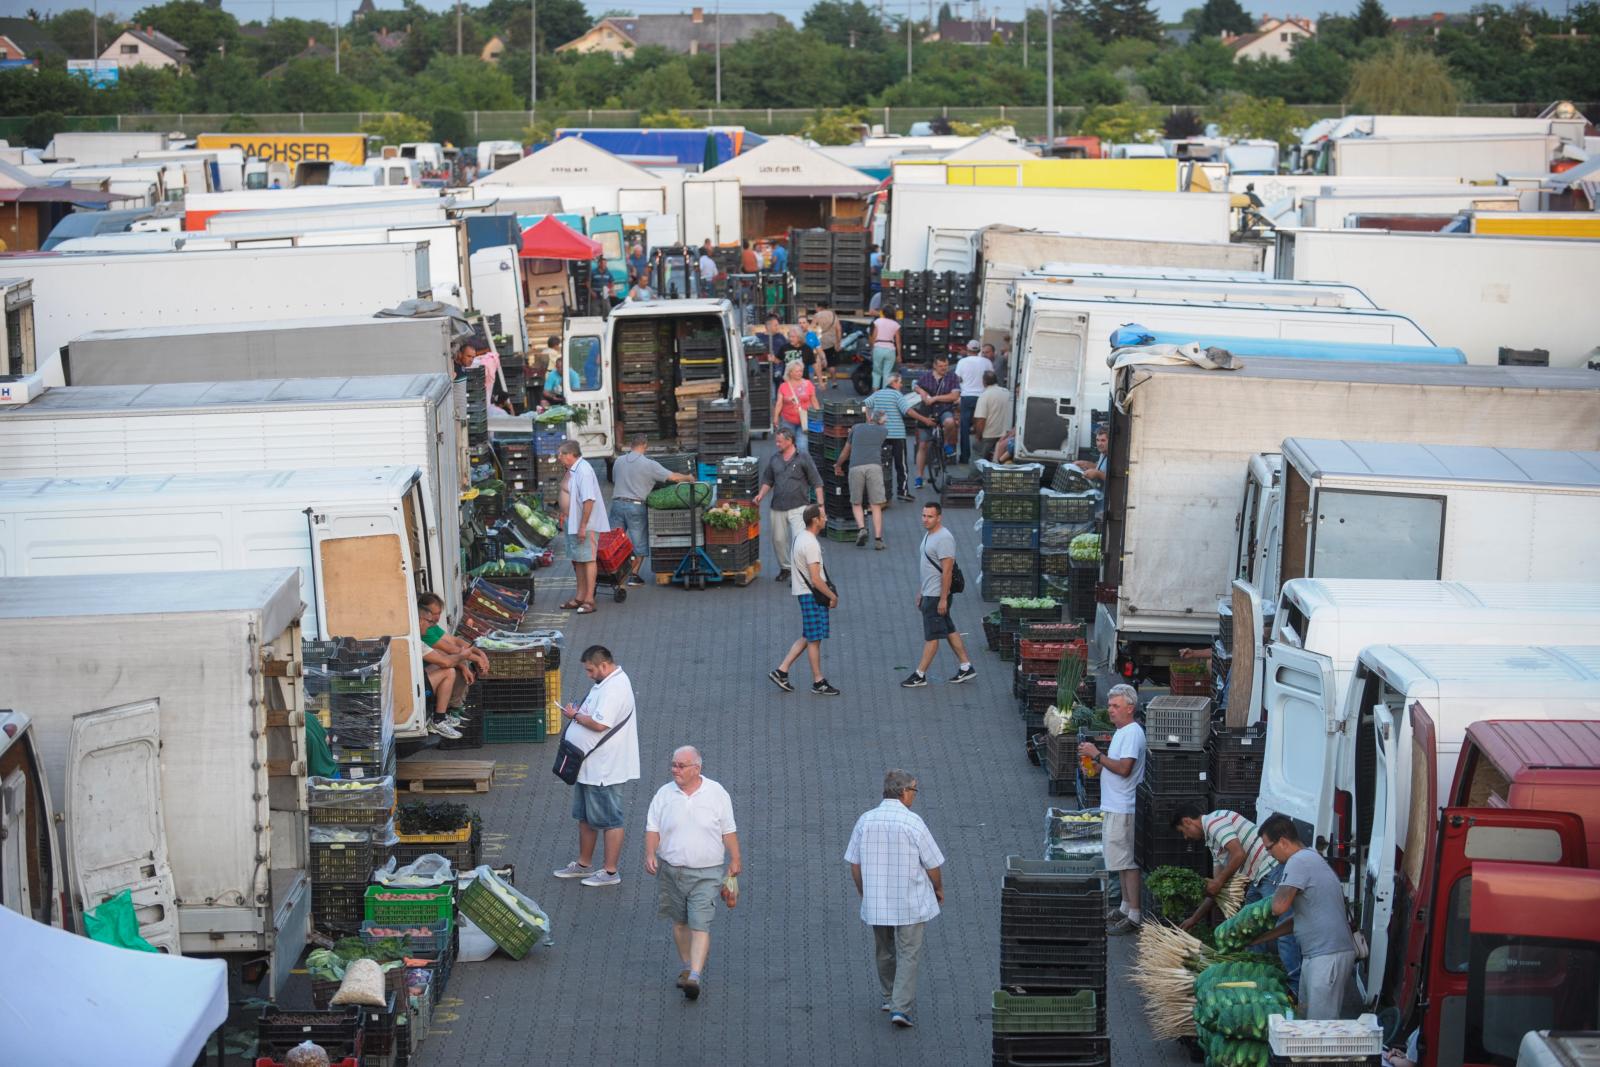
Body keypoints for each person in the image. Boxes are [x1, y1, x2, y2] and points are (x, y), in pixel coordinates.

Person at [844, 769, 946, 1029]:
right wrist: (938, 888)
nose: (915, 795)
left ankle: (889, 997)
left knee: (884, 950)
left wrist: (863, 891)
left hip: (877, 900)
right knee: (909, 952)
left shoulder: (865, 820)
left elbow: (854, 863)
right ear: (903, 792)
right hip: (910, 901)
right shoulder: (913, 823)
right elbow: (933, 864)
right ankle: (901, 1008)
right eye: (914, 790)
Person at [644, 745, 742, 1002]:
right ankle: (687, 966)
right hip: (671, 872)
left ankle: (695, 976)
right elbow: (652, 828)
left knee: (700, 924)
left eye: (681, 766)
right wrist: (650, 853)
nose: (675, 770)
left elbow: (728, 830)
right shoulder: (664, 794)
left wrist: (735, 859)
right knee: (680, 923)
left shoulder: (717, 793)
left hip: (707, 874)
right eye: (673, 765)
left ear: (697, 768)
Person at [552, 645, 640, 887]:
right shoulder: (604, 683)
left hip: (605, 769)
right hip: (589, 766)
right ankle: (584, 864)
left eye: (591, 670)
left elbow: (601, 724)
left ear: (604, 665)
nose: (588, 675)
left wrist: (575, 716)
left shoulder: (615, 688)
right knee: (585, 817)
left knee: (610, 819)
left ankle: (610, 872)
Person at [1256, 814, 1354, 1016]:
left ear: (1283, 842)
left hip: (1327, 956)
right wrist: (1262, 937)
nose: (1269, 855)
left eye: (1269, 848)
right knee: (1305, 1018)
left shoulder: (1298, 861)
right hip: (1317, 955)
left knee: (1319, 1026)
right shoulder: (1309, 857)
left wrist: (1257, 907)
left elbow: (1278, 907)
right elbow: (1299, 919)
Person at [1079, 684, 1146, 934]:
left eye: (1116, 706)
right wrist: (1096, 766)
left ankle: (1134, 914)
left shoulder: (1132, 733)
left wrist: (1097, 755)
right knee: (1120, 861)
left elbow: (1125, 768)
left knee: (1128, 862)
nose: (1110, 710)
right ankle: (1125, 907)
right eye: (1109, 705)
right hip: (1115, 805)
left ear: (1130, 708)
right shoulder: (1121, 732)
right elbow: (1114, 765)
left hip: (1124, 807)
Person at [902, 501, 976, 688]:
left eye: (930, 516)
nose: (925, 519)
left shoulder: (944, 538)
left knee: (932, 636)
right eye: (924, 515)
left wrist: (943, 599)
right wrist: (921, 591)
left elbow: (947, 572)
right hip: (930, 592)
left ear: (939, 518)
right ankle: (966, 666)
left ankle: (920, 675)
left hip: (936, 596)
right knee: (949, 629)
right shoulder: (930, 534)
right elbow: (928, 567)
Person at [769, 504, 840, 696]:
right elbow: (816, 579)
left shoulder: (800, 537)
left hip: (804, 593)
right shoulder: (811, 544)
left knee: (809, 635)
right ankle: (818, 681)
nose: (826, 519)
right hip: (812, 595)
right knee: (814, 639)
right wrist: (832, 596)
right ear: (815, 520)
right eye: (823, 516)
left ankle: (781, 671)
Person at [610, 434, 694, 586]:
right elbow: (673, 477)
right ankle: (633, 576)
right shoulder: (649, 464)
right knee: (639, 544)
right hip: (635, 507)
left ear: (631, 445)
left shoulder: (618, 461)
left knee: (615, 543)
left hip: (616, 505)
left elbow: (616, 480)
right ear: (645, 446)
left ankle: (614, 574)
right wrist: (688, 477)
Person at [753, 428, 824, 584]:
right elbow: (768, 480)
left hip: (799, 506)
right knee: (778, 540)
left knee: (799, 541)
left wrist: (820, 506)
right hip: (777, 506)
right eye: (776, 441)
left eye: (779, 441)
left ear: (789, 441)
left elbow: (817, 482)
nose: (777, 444)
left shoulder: (803, 458)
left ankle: (800, 573)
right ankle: (786, 568)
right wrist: (761, 495)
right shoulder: (774, 459)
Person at [416, 593, 489, 738]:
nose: (435, 619)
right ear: (420, 619)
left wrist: (480, 654)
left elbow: (454, 641)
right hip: (417, 684)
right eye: (431, 617)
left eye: (438, 613)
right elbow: (448, 654)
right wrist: (472, 659)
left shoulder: (428, 629)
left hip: (422, 675)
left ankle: (450, 711)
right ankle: (444, 715)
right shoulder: (422, 637)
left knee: (457, 663)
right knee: (451, 669)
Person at [557, 440, 611, 614]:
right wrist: (564, 513)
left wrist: (583, 526)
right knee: (578, 559)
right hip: (572, 521)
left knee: (588, 559)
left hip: (584, 524)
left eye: (561, 454)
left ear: (570, 455)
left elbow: (589, 500)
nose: (558, 457)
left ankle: (589, 600)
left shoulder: (584, 471)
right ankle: (579, 597)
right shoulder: (573, 470)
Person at [834, 411, 889, 549]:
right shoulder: (883, 431)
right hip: (874, 467)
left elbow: (846, 451)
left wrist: (838, 465)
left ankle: (862, 529)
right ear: (882, 421)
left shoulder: (856, 428)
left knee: (856, 502)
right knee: (875, 504)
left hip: (855, 467)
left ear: (869, 418)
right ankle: (878, 539)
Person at [913, 355, 961, 488]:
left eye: (945, 366)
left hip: (944, 409)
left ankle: (945, 443)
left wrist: (935, 398)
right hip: (927, 412)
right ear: (934, 366)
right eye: (941, 366)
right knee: (923, 445)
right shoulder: (926, 376)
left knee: (950, 422)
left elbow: (955, 396)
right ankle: (919, 477)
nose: (944, 368)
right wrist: (921, 391)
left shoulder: (952, 377)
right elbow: (915, 386)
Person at [865, 371, 914, 502]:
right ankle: (902, 492)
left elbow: (864, 405)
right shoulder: (897, 395)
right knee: (901, 465)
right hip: (898, 435)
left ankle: (879, 493)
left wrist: (869, 419)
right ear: (894, 382)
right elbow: (908, 411)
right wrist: (924, 419)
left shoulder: (877, 393)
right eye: (900, 382)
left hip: (880, 434)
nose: (901, 385)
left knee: (881, 464)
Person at [953, 339, 993, 466]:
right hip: (983, 396)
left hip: (967, 396)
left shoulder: (962, 362)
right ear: (979, 350)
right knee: (983, 426)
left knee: (964, 427)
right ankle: (983, 455)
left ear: (967, 349)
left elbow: (957, 379)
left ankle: (965, 457)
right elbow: (992, 377)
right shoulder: (987, 362)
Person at [772, 357, 819, 449]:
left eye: (801, 371)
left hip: (804, 420)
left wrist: (818, 414)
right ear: (790, 372)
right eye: (797, 371)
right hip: (788, 420)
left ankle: (800, 458)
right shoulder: (783, 386)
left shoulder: (808, 384)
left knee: (802, 446)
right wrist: (776, 417)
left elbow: (814, 400)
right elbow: (779, 403)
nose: (800, 373)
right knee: (788, 446)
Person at [971, 370, 1012, 462]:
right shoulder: (1007, 393)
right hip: (1005, 435)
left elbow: (981, 419)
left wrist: (978, 436)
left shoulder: (985, 396)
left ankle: (975, 472)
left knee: (979, 458)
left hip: (988, 435)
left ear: (984, 382)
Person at [869, 305, 901, 390]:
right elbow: (898, 341)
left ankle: (875, 393)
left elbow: (873, 336)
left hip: (878, 347)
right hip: (890, 349)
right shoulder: (896, 324)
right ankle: (885, 393)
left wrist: (872, 349)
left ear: (883, 313)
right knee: (887, 374)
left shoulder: (877, 321)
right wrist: (899, 355)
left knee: (876, 372)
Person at [811, 301, 840, 386]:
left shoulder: (817, 315)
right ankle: (834, 382)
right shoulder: (833, 315)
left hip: (819, 342)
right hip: (831, 342)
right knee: (831, 363)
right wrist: (838, 342)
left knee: (819, 361)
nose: (815, 309)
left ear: (819, 307)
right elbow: (838, 329)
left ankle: (821, 382)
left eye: (816, 307)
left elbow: (812, 328)